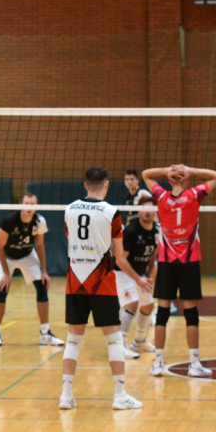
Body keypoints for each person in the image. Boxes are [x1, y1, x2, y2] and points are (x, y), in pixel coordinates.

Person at [60, 167, 150, 410]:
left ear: (85, 184)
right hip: (102, 281)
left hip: (75, 281)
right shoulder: (112, 212)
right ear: (107, 185)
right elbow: (119, 254)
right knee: (113, 340)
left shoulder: (69, 209)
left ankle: (66, 396)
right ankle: (119, 395)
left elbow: (72, 239)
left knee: (73, 339)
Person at [142, 164, 216, 378]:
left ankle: (158, 362)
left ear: (169, 180)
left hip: (167, 262)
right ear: (186, 180)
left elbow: (146, 174)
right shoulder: (194, 195)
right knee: (191, 314)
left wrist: (166, 170)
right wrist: (191, 170)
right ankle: (194, 363)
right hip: (189, 262)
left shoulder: (160, 196)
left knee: (162, 314)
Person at [0, 193, 64, 347]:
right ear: (21, 204)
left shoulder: (40, 221)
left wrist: (44, 271)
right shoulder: (10, 221)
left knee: (42, 286)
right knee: (3, 288)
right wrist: (7, 274)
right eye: (26, 203)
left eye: (32, 204)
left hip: (27, 255)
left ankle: (45, 334)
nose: (29, 206)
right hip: (7, 257)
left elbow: (40, 246)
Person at [118, 196, 159, 354]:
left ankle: (139, 341)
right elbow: (121, 259)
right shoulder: (131, 231)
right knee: (133, 303)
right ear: (139, 211)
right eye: (144, 209)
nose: (147, 212)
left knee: (148, 305)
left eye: (150, 209)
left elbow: (154, 255)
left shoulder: (156, 230)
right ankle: (119, 346)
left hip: (140, 274)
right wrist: (138, 279)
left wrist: (148, 277)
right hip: (121, 272)